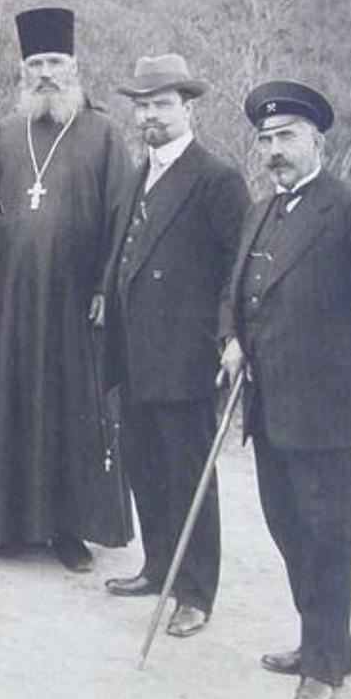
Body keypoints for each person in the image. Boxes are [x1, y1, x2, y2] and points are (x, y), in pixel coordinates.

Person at [221, 80, 351, 699]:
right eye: (265, 140)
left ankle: (324, 664)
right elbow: (238, 291)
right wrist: (233, 338)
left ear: (317, 142)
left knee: (326, 537)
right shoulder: (260, 209)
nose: (274, 151)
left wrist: (350, 363)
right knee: (287, 527)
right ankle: (327, 642)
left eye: (286, 137)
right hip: (269, 406)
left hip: (329, 410)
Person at [0, 7, 133, 571]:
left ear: (74, 66)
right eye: (36, 64)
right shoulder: (6, 135)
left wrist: (107, 289)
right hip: (3, 306)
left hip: (71, 305)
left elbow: (122, 221)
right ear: (23, 70)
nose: (45, 73)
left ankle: (67, 532)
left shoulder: (103, 135)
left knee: (67, 411)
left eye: (54, 62)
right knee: (5, 406)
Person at [99, 54, 249, 636]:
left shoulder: (216, 178)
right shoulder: (139, 172)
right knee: (145, 465)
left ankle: (195, 593)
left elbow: (239, 268)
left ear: (188, 108)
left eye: (162, 105)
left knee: (189, 474)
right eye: (142, 106)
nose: (150, 116)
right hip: (134, 350)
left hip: (185, 355)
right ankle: (159, 567)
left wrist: (229, 335)